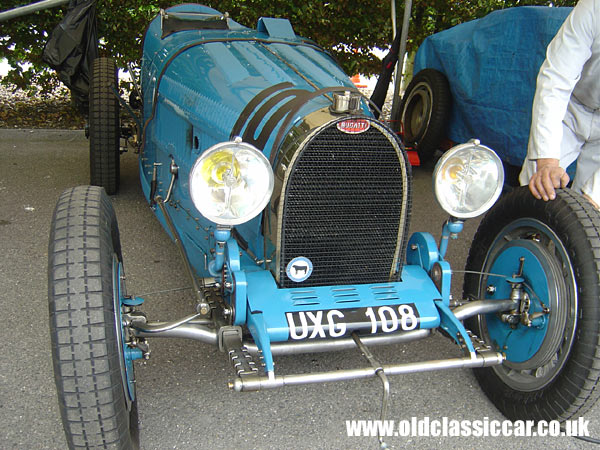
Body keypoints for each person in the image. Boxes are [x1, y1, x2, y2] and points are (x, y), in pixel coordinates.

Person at [519, 0, 600, 208]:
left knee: (589, 217)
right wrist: (547, 162)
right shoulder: (593, 6)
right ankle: (521, 238)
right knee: (535, 188)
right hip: (571, 107)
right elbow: (556, 78)